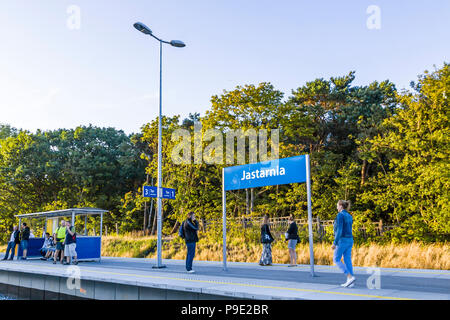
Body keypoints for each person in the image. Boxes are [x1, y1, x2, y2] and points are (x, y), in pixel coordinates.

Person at [332, 200, 355, 288]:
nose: (337, 207)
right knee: (347, 260)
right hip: (350, 240)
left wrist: (335, 242)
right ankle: (351, 282)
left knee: (336, 259)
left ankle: (349, 277)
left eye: (337, 205)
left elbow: (339, 230)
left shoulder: (340, 215)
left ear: (341, 206)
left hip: (342, 240)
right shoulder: (349, 215)